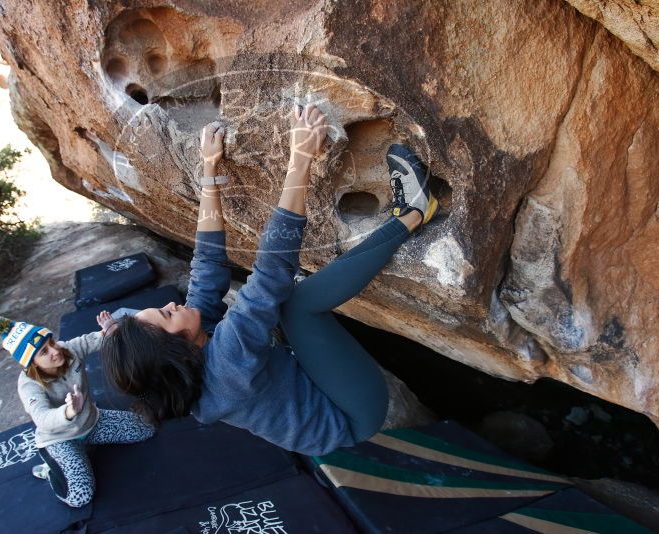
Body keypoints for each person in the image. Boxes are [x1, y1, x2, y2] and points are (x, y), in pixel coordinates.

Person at [101, 102, 439, 456]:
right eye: (167, 315)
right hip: (351, 412)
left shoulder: (196, 347)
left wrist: (210, 171)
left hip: (311, 380)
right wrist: (302, 156)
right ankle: (416, 211)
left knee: (283, 301)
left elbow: (207, 264)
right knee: (295, 306)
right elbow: (270, 273)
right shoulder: (224, 369)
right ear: (177, 350)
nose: (171, 304)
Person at [0, 311, 155, 507]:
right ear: (31, 363)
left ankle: (86, 445)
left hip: (90, 422)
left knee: (146, 428)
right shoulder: (28, 384)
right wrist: (68, 412)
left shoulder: (66, 350)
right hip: (60, 438)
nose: (55, 350)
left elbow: (92, 340)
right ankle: (51, 468)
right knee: (80, 497)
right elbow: (42, 418)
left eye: (51, 342)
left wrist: (110, 333)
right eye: (44, 351)